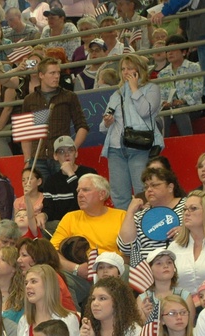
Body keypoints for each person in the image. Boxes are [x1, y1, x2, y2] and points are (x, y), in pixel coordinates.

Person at [100, 55, 163, 211]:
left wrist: (134, 88)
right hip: (116, 148)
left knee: (144, 190)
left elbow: (145, 111)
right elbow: (102, 126)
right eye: (123, 69)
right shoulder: (117, 94)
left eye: (129, 68)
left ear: (139, 69)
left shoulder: (152, 88)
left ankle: (146, 224)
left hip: (140, 147)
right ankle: (125, 226)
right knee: (119, 194)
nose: (125, 72)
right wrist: (107, 122)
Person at [50, 175, 126, 271]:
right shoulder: (70, 217)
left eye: (85, 190)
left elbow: (131, 254)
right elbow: (52, 251)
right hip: (79, 271)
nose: (80, 195)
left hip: (114, 270)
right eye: (78, 191)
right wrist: (76, 268)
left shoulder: (122, 216)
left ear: (102, 194)